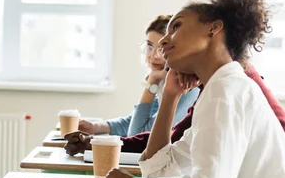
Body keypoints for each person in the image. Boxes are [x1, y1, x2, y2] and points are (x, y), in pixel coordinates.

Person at [103, 0, 285, 178]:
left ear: (213, 29)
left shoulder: (226, 91)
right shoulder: (218, 88)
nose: (163, 42)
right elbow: (158, 170)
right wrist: (169, 96)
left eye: (175, 27)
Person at [64, 63, 285, 155]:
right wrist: (99, 142)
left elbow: (168, 144)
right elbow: (176, 136)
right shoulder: (213, 82)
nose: (156, 54)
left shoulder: (227, 85)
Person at [79, 15, 199, 137]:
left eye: (162, 49)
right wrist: (95, 127)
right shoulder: (166, 81)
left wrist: (152, 82)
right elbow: (136, 121)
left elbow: (138, 134)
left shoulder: (186, 87)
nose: (154, 56)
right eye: (150, 47)